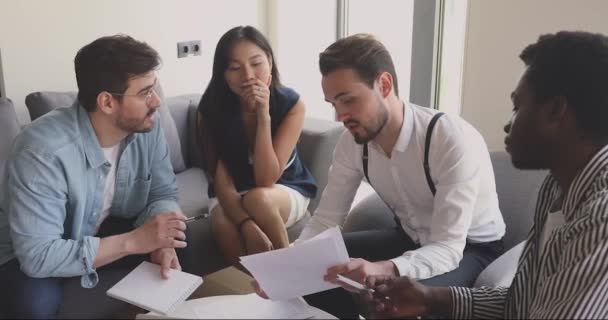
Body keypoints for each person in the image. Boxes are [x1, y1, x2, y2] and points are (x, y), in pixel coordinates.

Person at [362, 30, 608, 319]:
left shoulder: (600, 218)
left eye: (517, 107)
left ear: (555, 111)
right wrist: (430, 298)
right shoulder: (557, 187)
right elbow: (523, 303)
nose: (507, 125)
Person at [291, 33, 506, 319]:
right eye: (334, 104)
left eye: (348, 100)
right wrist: (289, 266)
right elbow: (326, 219)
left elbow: (446, 248)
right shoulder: (351, 143)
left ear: (384, 84)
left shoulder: (448, 139)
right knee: (317, 268)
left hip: (470, 249)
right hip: (409, 237)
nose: (341, 115)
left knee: (392, 301)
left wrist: (383, 268)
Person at [0, 35, 189, 318]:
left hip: (99, 227)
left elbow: (162, 194)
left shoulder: (147, 127)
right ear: (107, 102)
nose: (157, 101)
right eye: (145, 92)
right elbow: (37, 255)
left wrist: (161, 241)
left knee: (182, 242)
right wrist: (135, 241)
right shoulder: (41, 151)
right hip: (30, 249)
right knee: (34, 306)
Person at [197, 26, 317, 266]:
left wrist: (263, 117)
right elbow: (221, 180)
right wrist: (246, 224)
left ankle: (292, 277)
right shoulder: (210, 110)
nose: (248, 75)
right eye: (234, 67)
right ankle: (249, 294)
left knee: (258, 198)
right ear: (223, 73)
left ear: (270, 63)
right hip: (231, 192)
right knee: (222, 221)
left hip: (283, 187)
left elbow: (266, 180)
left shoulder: (291, 105)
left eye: (256, 63)